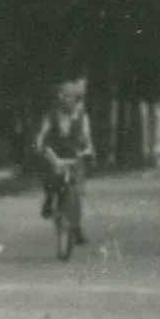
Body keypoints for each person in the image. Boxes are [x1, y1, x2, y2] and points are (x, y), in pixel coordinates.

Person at [37, 77, 94, 239]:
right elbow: (41, 136)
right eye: (66, 96)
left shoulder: (82, 116)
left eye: (72, 97)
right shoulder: (52, 116)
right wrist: (42, 147)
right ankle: (49, 199)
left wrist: (88, 150)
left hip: (74, 155)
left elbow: (87, 138)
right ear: (60, 98)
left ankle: (76, 226)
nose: (69, 100)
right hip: (55, 154)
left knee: (77, 190)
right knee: (51, 180)